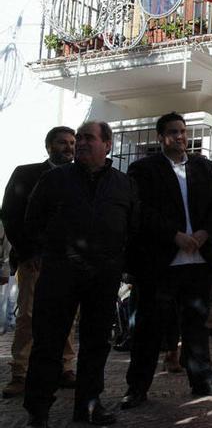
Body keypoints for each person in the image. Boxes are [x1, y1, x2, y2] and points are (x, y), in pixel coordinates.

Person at [23, 122, 139, 427]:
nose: (81, 144)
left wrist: (123, 265)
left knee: (96, 343)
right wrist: (37, 254)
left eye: (89, 138)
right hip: (60, 273)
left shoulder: (123, 184)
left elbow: (133, 228)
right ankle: (39, 410)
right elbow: (32, 220)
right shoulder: (54, 180)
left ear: (108, 145)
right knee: (48, 342)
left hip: (103, 276)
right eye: (79, 138)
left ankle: (89, 405)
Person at [120, 112, 212, 409]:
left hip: (199, 261)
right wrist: (175, 236)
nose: (179, 137)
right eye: (172, 132)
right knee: (149, 328)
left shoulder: (204, 167)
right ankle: (137, 387)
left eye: (183, 131)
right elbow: (140, 211)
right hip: (160, 263)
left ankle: (203, 380)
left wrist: (205, 234)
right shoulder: (143, 169)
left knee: (196, 325)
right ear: (161, 137)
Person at [0, 126, 78, 398]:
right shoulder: (26, 173)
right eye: (62, 142)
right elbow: (10, 214)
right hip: (35, 260)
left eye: (72, 142)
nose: (68, 147)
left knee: (67, 316)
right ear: (48, 147)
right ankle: (20, 372)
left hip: (68, 261)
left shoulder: (79, 178)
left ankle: (65, 368)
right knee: (29, 316)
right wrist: (27, 251)